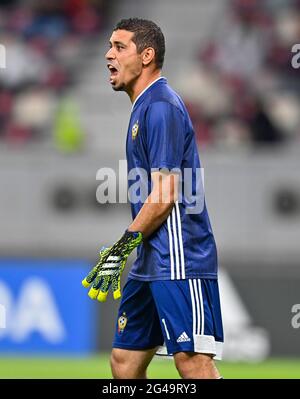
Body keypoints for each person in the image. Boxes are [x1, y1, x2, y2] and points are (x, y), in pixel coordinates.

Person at [82, 18, 224, 379]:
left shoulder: (161, 106)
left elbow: (165, 194)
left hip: (178, 256)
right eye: (108, 46)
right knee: (125, 362)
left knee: (192, 362)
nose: (107, 55)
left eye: (119, 47)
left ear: (146, 56)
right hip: (151, 257)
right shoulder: (144, 107)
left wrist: (122, 246)